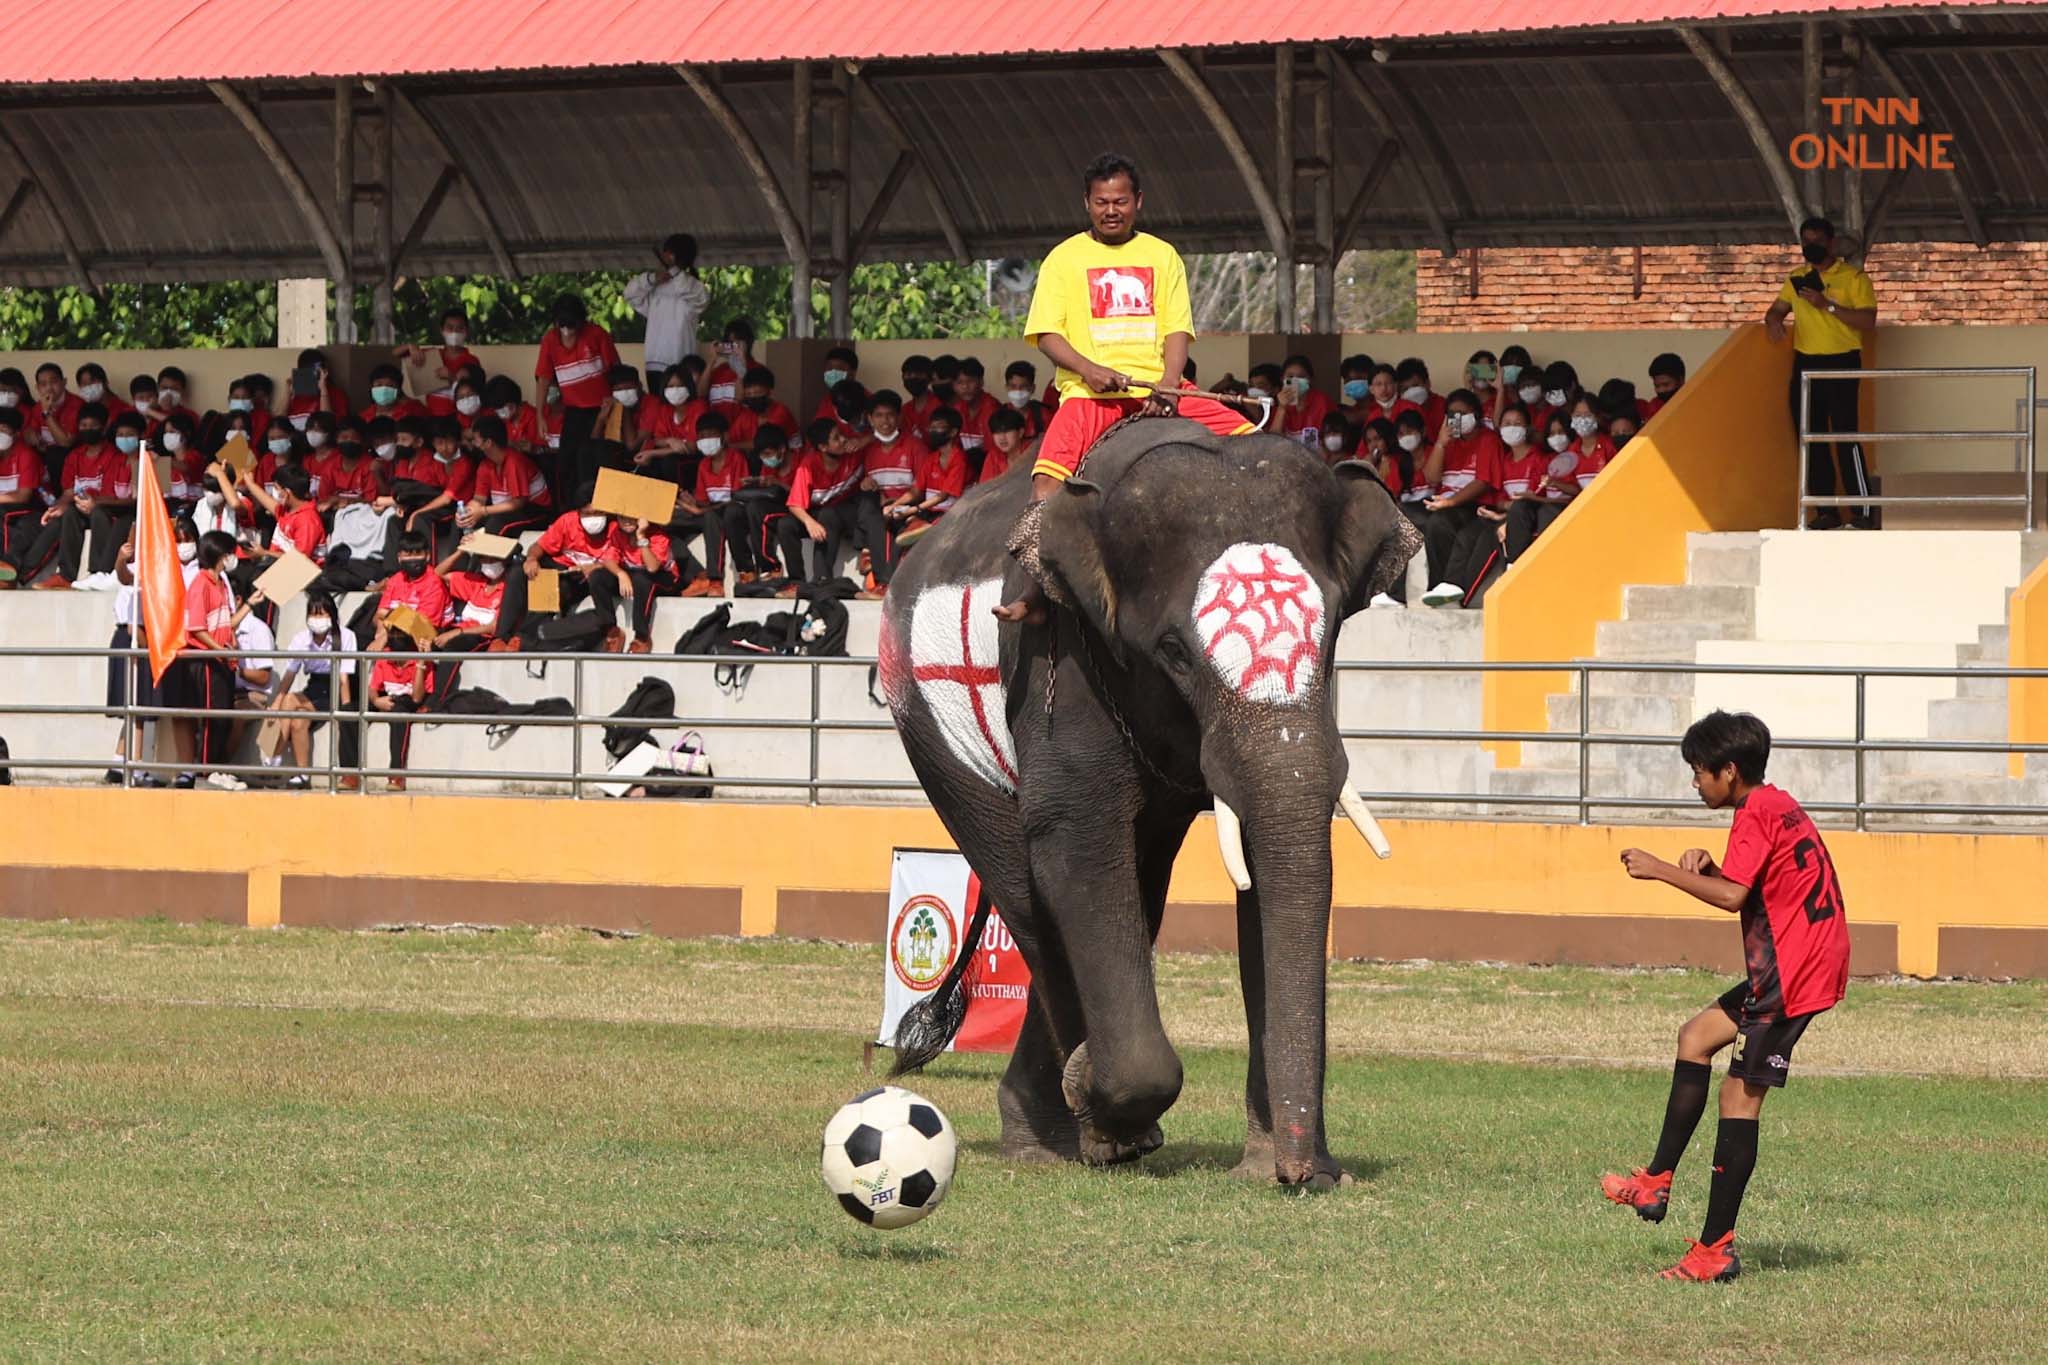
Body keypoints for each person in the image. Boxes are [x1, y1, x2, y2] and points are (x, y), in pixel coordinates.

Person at [1608, 710, 1850, 1283]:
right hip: (1799, 959)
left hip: (1794, 972)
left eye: (1699, 771)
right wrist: (1712, 866)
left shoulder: (1753, 813)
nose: (1695, 781)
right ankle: (1656, 1182)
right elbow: (1749, 883)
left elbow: (1733, 898)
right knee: (1695, 1038)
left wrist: (1663, 870)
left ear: (1729, 771)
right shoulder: (1773, 803)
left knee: (1738, 1101)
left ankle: (1714, 1251)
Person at [998, 152, 1258, 621]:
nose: (1111, 210)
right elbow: (1047, 335)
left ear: (1138, 201)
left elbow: (1177, 330)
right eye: (1101, 202)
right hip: (1088, 396)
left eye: (1120, 201)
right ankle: (1036, 596)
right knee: (1043, 489)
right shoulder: (1064, 258)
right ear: (1087, 203)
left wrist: (1169, 384)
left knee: (1256, 446)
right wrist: (1091, 370)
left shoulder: (1162, 255)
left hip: (1162, 393)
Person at [1764, 216, 1877, 529]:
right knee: (1810, 436)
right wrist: (1773, 320)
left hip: (1842, 361)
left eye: (1816, 241)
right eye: (1805, 241)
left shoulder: (1853, 278)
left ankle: (1863, 510)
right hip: (1805, 363)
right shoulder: (1796, 277)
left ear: (1830, 243)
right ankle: (1825, 511)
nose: (1809, 247)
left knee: (1844, 435)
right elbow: (1776, 309)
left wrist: (1825, 304)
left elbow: (1868, 321)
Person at [162, 532, 265, 789]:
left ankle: (216, 767)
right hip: (207, 661)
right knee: (211, 716)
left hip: (221, 658)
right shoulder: (201, 584)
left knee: (221, 716)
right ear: (220, 555)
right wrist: (219, 649)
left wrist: (250, 605)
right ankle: (206, 771)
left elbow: (224, 623)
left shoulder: (221, 584)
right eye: (230, 553)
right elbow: (196, 628)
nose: (233, 558)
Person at [1417, 389, 1506, 607]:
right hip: (1444, 503)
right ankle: (1396, 594)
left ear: (1475, 414)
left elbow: (1482, 482)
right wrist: (1440, 443)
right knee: (1404, 516)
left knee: (1440, 522)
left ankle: (1442, 587)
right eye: (1452, 414)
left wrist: (1451, 502)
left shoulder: (1488, 439)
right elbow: (1431, 477)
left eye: (1462, 413)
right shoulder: (1448, 442)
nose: (1457, 419)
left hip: (1474, 505)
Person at [270, 590, 362, 789]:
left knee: (290, 704)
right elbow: (290, 673)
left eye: (321, 614)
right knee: (296, 716)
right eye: (312, 614)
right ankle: (301, 773)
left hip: (335, 689)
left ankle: (273, 756)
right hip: (314, 688)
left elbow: (344, 678)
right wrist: (276, 701)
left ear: (332, 615)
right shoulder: (301, 639)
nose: (316, 619)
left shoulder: (346, 636)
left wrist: (344, 710)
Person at [535, 293, 621, 497]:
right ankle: (570, 510)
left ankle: (596, 506)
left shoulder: (597, 334)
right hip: (573, 411)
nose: (567, 330)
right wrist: (540, 414)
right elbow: (544, 378)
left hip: (602, 409)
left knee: (591, 459)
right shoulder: (550, 340)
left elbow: (616, 371)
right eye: (562, 324)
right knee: (566, 461)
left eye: (571, 325)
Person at [526, 488, 631, 652]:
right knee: (539, 581)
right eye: (587, 514)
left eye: (598, 513)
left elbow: (628, 558)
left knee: (598, 577)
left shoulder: (617, 527)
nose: (593, 519)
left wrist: (597, 566)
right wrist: (531, 559)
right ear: (578, 513)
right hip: (573, 577)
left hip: (604, 580)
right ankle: (526, 635)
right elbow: (538, 546)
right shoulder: (567, 521)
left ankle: (611, 630)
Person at [776, 417, 867, 588]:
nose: (843, 439)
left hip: (850, 515)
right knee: (785, 524)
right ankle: (796, 581)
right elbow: (794, 504)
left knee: (828, 514)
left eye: (841, 434)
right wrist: (809, 522)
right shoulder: (809, 464)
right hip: (821, 517)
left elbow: (879, 436)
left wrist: (861, 441)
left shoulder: (854, 452)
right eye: (836, 438)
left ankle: (822, 579)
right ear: (823, 448)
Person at [627, 233, 711, 395]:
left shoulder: (693, 286)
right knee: (660, 411)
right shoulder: (654, 286)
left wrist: (673, 272)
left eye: (668, 254)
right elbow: (630, 294)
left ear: (672, 256)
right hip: (654, 363)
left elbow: (701, 299)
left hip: (682, 363)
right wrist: (652, 279)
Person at [679, 420, 757, 595]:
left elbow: (739, 498)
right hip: (711, 512)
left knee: (722, 514)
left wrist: (702, 510)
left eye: (710, 435)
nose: (705, 440)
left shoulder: (736, 459)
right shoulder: (704, 465)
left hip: (735, 512)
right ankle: (700, 576)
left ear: (724, 437)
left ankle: (720, 579)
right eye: (701, 437)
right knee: (668, 522)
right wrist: (690, 503)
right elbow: (704, 501)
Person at [1504, 410, 1582, 564]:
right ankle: (1513, 565)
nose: (1556, 437)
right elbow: (1537, 493)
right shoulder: (1546, 460)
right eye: (1552, 434)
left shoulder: (1577, 456)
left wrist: (1555, 484)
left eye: (1561, 432)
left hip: (1568, 508)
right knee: (1521, 508)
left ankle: (1543, 562)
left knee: (1547, 511)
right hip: (1546, 505)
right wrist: (1503, 518)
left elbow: (1578, 493)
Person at [460, 415, 553, 540]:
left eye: (475, 440)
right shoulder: (485, 464)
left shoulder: (514, 462)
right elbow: (479, 498)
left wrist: (483, 511)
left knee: (495, 524)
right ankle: (456, 559)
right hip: (505, 509)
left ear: (488, 443)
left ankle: (479, 559)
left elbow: (518, 503)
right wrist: (468, 511)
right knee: (462, 522)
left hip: (535, 511)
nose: (473, 444)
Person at [365, 626, 431, 792]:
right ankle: (349, 775)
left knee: (399, 712)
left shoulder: (419, 658)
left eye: (400, 634)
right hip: (387, 700)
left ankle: (396, 775)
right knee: (349, 711)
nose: (396, 637)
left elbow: (417, 697)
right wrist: (376, 700)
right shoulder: (386, 656)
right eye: (393, 633)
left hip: (408, 702)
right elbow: (372, 688)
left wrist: (421, 662)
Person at [617, 514, 693, 652]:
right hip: (634, 576)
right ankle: (612, 632)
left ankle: (641, 637)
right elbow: (608, 559)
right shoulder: (616, 532)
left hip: (664, 578)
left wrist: (641, 536)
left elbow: (652, 567)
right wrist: (620, 574)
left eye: (632, 518)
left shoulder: (658, 535)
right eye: (622, 518)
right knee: (599, 576)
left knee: (641, 579)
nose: (627, 522)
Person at [948, 358, 1001, 473]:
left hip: (991, 469)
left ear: (981, 382)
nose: (965, 387)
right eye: (960, 383)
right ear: (953, 386)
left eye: (970, 381)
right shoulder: (956, 410)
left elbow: (995, 453)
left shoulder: (992, 408)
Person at [1276, 354, 1333, 449]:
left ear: (1310, 379)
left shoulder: (1321, 401)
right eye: (1290, 376)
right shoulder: (1280, 401)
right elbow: (1273, 439)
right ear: (1282, 379)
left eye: (1301, 376)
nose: (1295, 380)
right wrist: (1281, 408)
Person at [704, 317, 757, 414]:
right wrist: (711, 362)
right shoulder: (719, 370)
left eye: (739, 342)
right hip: (716, 427)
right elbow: (700, 393)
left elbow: (741, 397)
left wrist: (742, 367)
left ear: (749, 343)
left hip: (741, 427)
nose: (735, 347)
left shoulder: (757, 370)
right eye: (731, 343)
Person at [1394, 358, 1445, 440]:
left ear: (1428, 383)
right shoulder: (1398, 411)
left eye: (1415, 386)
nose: (1411, 392)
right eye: (1405, 389)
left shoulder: (1444, 406)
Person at [813, 346, 867, 422]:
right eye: (829, 368)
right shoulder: (826, 401)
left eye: (839, 368)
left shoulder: (867, 399)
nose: (833, 372)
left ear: (853, 372)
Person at [1646, 352, 1686, 419]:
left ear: (1681, 380)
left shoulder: (1695, 402)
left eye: (1666, 385)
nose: (1661, 390)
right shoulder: (1654, 406)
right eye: (1657, 386)